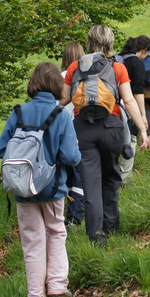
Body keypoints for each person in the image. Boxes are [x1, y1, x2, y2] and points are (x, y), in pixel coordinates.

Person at [0, 62, 81, 297]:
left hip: (23, 189)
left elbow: (1, 150)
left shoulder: (18, 112)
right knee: (56, 231)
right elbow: (70, 156)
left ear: (33, 83)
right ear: (56, 85)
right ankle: (56, 285)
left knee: (32, 241)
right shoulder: (61, 114)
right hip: (53, 189)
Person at [62, 25, 148, 245]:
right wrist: (143, 131)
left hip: (83, 130)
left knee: (90, 185)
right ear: (109, 44)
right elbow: (128, 101)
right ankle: (112, 228)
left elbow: (63, 100)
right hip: (111, 128)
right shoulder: (117, 67)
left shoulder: (74, 67)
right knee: (111, 178)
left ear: (89, 42)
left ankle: (96, 237)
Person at [118, 35, 150, 184]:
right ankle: (125, 178)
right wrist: (142, 115)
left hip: (111, 105)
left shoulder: (117, 58)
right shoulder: (136, 63)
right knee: (130, 139)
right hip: (128, 106)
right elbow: (138, 91)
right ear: (143, 51)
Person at [61, 42, 85, 227]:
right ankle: (75, 216)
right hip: (76, 127)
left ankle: (60, 215)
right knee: (78, 176)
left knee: (64, 175)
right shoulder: (82, 74)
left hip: (58, 132)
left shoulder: (57, 78)